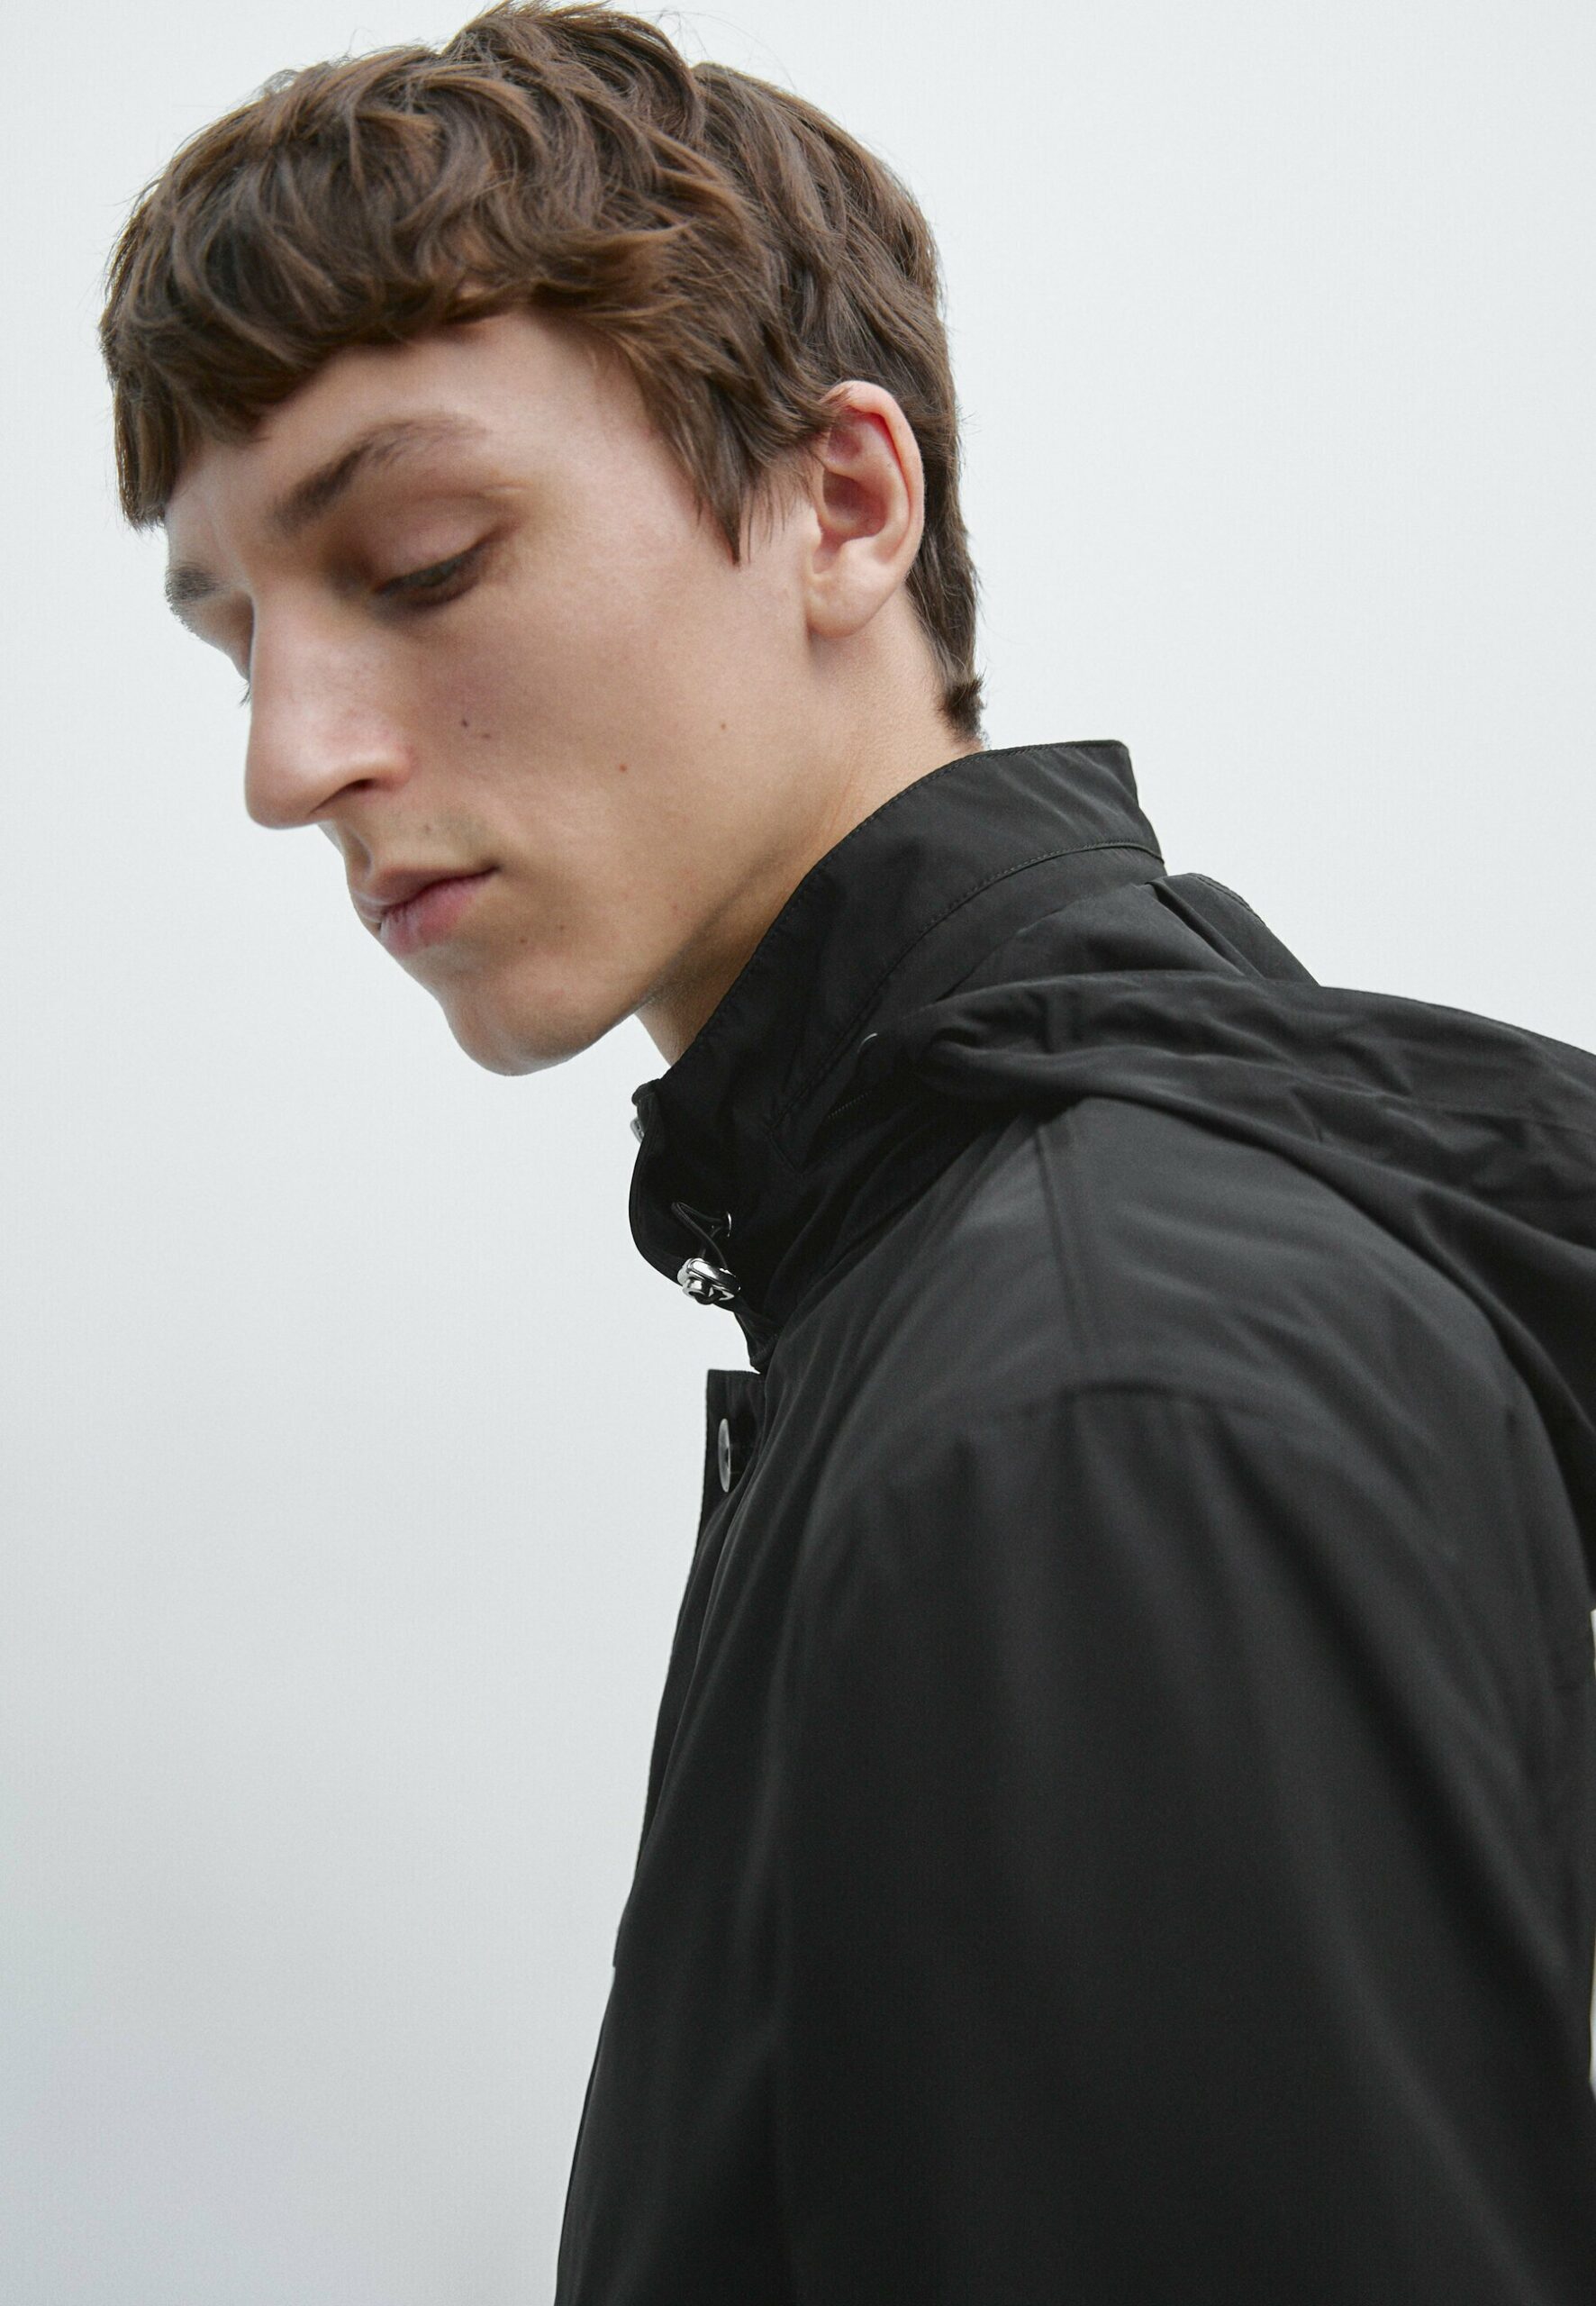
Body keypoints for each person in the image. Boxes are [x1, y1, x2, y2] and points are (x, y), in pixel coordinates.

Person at [99, 3, 1596, 2296]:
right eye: (236, 646)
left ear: (843, 504)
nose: (287, 761)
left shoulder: (1092, 1409)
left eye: (416, 562)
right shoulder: (979, 1293)